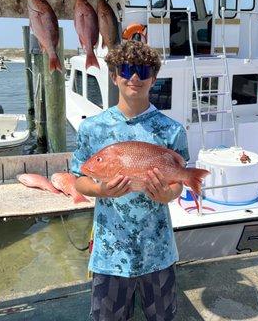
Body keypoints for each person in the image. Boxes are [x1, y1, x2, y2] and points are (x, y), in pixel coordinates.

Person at [71, 40, 189, 321]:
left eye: (142, 71)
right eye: (126, 69)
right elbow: (78, 180)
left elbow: (178, 184)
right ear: (114, 76)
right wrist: (101, 189)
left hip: (157, 250)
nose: (134, 77)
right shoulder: (92, 127)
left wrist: (166, 195)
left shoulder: (171, 130)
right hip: (110, 252)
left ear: (153, 79)